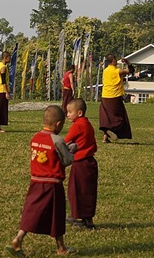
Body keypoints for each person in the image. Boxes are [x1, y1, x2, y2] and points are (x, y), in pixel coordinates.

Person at [7, 105, 76, 256]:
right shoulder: (57, 140)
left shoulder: (35, 138)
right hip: (52, 184)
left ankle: (18, 238)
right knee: (56, 216)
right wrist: (73, 150)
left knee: (32, 211)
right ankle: (61, 247)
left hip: (36, 182)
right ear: (58, 124)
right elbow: (66, 160)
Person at [64, 98, 98, 230]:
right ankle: (89, 219)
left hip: (80, 163)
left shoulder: (78, 125)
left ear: (79, 113)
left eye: (69, 112)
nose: (67, 115)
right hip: (90, 162)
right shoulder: (88, 125)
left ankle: (78, 217)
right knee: (88, 191)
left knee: (76, 190)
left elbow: (65, 141)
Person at [99, 53, 133, 143]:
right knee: (119, 117)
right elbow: (130, 70)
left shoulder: (105, 71)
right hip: (114, 96)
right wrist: (127, 62)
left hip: (105, 96)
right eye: (115, 60)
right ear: (113, 61)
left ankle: (105, 138)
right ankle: (109, 130)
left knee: (107, 117)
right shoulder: (117, 71)